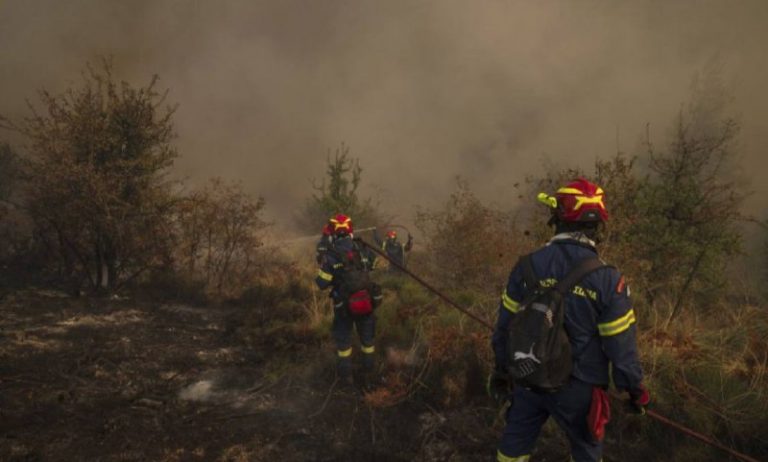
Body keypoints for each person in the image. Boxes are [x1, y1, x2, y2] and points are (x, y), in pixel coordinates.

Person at [488, 178, 650, 462]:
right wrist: (634, 391)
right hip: (580, 388)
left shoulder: (526, 266)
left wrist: (503, 369)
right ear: (597, 226)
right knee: (585, 453)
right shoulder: (608, 280)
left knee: (512, 451)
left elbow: (505, 327)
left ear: (557, 219)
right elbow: (621, 348)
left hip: (527, 377)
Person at [315, 213, 381, 384]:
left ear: (333, 232)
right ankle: (369, 377)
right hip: (366, 304)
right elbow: (374, 266)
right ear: (351, 230)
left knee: (344, 346)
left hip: (343, 307)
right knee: (368, 342)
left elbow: (322, 283)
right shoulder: (363, 248)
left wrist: (322, 259)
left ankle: (346, 380)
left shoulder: (331, 254)